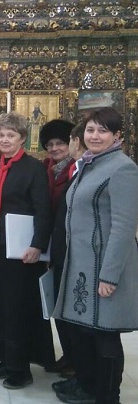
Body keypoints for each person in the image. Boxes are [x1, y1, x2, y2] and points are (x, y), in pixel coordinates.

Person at [53, 108, 138, 404]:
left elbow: (125, 227)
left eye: (103, 131)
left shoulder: (122, 168)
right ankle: (87, 385)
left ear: (117, 136)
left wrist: (110, 275)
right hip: (81, 266)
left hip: (104, 267)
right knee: (84, 332)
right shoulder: (89, 164)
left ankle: (107, 395)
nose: (95, 136)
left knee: (105, 333)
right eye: (90, 130)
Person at [0, 112, 54, 389]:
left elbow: (43, 210)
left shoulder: (33, 168)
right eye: (1, 135)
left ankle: (21, 368)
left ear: (22, 138)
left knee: (17, 309)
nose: (4, 140)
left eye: (10, 135)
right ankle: (5, 359)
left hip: (22, 252)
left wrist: (37, 245)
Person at [48, 122, 85, 384]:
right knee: (58, 305)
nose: (55, 148)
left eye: (60, 143)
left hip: (74, 246)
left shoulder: (76, 169)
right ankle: (69, 354)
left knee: (72, 305)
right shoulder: (49, 170)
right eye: (50, 145)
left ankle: (77, 360)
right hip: (55, 244)